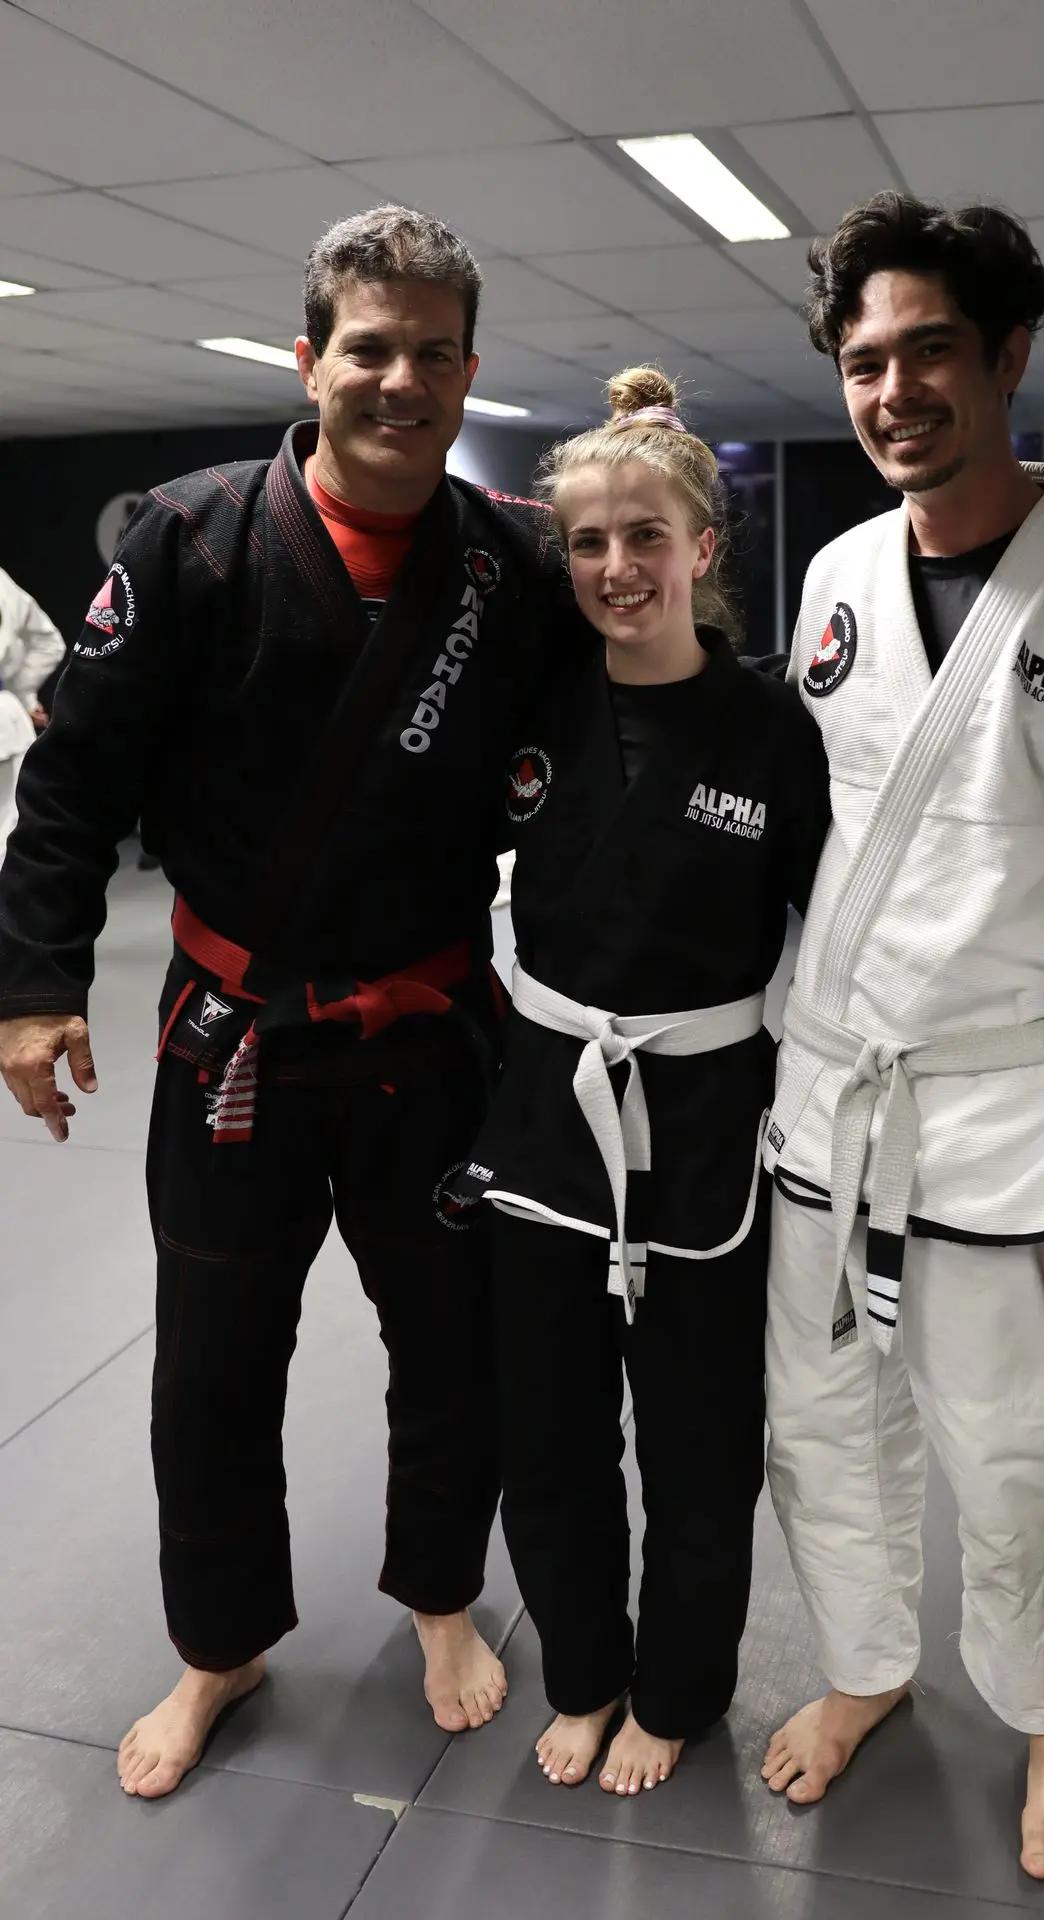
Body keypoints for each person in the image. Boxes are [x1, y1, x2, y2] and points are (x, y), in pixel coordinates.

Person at [0, 204, 565, 1800]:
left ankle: (444, 1600)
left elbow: (586, 778)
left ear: (467, 372)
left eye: (431, 355)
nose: (400, 380)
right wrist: (36, 985)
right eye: (367, 349)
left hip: (435, 1036)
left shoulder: (511, 565)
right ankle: (220, 1646)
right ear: (308, 359)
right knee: (214, 1362)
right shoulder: (188, 541)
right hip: (230, 1034)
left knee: (453, 1344)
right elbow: (71, 785)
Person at [759, 195, 1044, 1885]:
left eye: (928, 352)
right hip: (826, 1104)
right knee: (820, 1428)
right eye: (865, 362)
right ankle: (868, 1669)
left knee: (1015, 1458)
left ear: (1009, 354)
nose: (892, 391)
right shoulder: (828, 577)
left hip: (1008, 1117)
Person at [454, 368, 831, 1796]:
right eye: (591, 543)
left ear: (703, 551)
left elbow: (833, 942)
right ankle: (584, 1674)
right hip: (548, 1111)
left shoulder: (775, 734)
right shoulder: (530, 715)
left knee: (695, 1444)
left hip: (708, 1120)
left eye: (646, 537)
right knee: (545, 1434)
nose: (618, 568)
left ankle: (674, 1691)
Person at [0, 567, 63, 862]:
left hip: (6, 719)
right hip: (5, 718)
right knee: (9, 830)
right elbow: (47, 641)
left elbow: (48, 642)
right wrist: (21, 695)